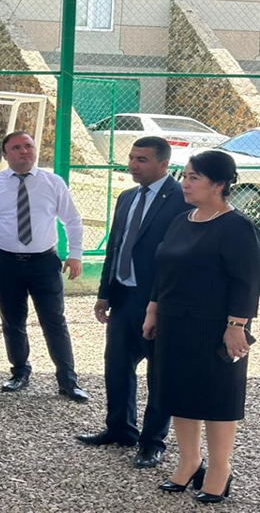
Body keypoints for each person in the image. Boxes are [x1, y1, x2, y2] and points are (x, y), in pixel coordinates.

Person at [143, 150, 260, 504]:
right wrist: (153, 309)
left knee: (217, 398)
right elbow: (164, 270)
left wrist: (236, 325)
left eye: (194, 177)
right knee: (179, 394)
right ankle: (190, 461)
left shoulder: (237, 226)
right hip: (174, 323)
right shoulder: (182, 220)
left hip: (214, 327)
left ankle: (220, 470)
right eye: (185, 176)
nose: (186, 183)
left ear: (219, 184)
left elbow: (247, 282)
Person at [76, 137, 190, 467]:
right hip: (123, 297)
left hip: (159, 300)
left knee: (159, 373)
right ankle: (120, 428)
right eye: (131, 158)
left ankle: (152, 442)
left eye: (142, 159)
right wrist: (104, 292)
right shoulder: (126, 197)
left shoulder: (181, 200)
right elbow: (115, 246)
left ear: (163, 164)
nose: (132, 165)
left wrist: (162, 302)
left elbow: (180, 258)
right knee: (116, 366)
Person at [0, 131, 89, 402]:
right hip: (5, 262)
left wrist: (75, 254)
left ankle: (68, 380)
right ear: (5, 154)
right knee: (13, 321)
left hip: (43, 263)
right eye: (16, 147)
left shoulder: (53, 183)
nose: (24, 151)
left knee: (54, 320)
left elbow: (72, 220)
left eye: (28, 146)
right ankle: (19, 372)